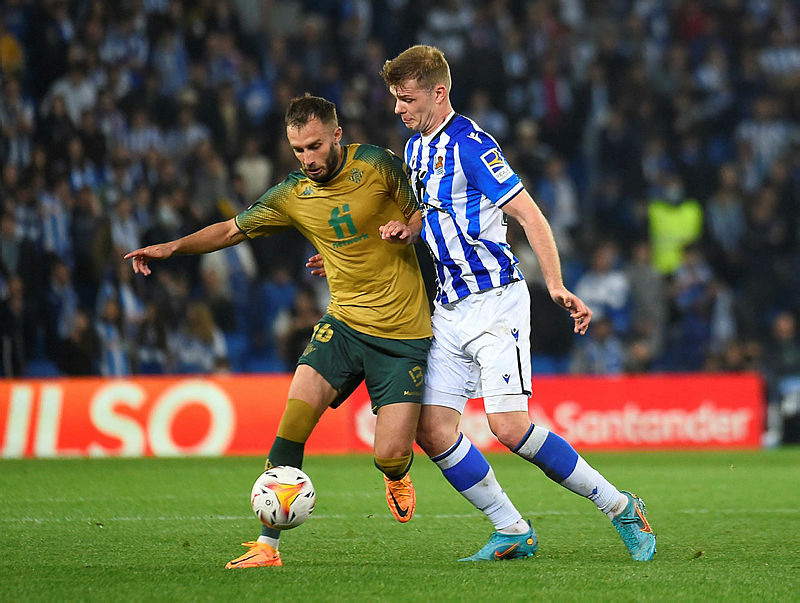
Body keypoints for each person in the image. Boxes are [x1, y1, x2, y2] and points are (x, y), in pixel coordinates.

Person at [124, 95, 432, 568]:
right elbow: (230, 230)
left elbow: (420, 210)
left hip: (401, 333)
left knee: (390, 453)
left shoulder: (378, 164)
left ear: (336, 136)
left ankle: (395, 474)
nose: (308, 159)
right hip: (344, 323)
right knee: (293, 420)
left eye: (314, 146)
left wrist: (406, 230)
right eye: (298, 151)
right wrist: (172, 247)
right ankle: (268, 545)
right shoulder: (292, 194)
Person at [381, 45, 656, 562]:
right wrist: (407, 228)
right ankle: (510, 528)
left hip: (496, 304)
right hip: (449, 307)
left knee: (509, 428)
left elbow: (531, 218)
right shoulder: (415, 147)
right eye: (396, 99)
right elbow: (433, 208)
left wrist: (554, 284)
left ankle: (621, 506)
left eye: (407, 98)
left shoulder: (473, 146)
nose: (399, 109)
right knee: (432, 428)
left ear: (439, 93)